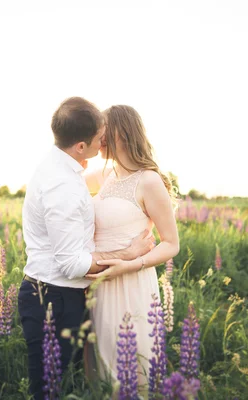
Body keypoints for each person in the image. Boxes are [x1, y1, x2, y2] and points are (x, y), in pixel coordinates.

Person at [17, 97, 154, 400]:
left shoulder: (66, 169)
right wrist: (128, 255)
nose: (103, 141)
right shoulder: (61, 184)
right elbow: (72, 263)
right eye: (99, 137)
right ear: (81, 145)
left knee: (79, 382)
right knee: (48, 390)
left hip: (74, 295)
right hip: (53, 298)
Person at [84, 105, 180, 393]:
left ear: (121, 133)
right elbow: (68, 183)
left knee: (131, 370)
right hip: (99, 284)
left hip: (131, 282)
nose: (97, 136)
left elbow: (171, 244)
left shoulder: (149, 181)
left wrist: (131, 264)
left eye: (102, 129)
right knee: (99, 371)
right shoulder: (105, 175)